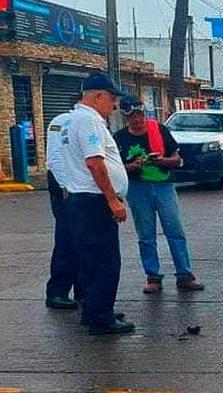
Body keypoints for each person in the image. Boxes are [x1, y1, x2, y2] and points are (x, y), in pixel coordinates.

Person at [62, 73, 135, 335]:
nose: (114, 105)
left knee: (91, 260)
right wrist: (113, 199)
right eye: (111, 98)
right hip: (95, 202)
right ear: (97, 96)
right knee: (104, 261)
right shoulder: (89, 121)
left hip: (83, 201)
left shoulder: (74, 120)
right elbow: (95, 163)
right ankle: (101, 318)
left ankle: (96, 309)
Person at [113, 95, 204, 294]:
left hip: (163, 186)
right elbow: (116, 168)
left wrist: (160, 160)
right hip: (138, 188)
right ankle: (153, 276)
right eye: (131, 116)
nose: (136, 120)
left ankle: (184, 274)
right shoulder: (119, 138)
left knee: (175, 231)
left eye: (138, 115)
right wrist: (133, 165)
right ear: (124, 117)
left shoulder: (159, 130)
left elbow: (176, 159)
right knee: (146, 235)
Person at [44, 107, 80, 310]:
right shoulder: (62, 121)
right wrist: (64, 184)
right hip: (64, 185)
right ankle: (57, 291)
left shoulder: (92, 122)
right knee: (66, 238)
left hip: (80, 185)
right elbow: (55, 156)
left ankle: (82, 290)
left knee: (82, 240)